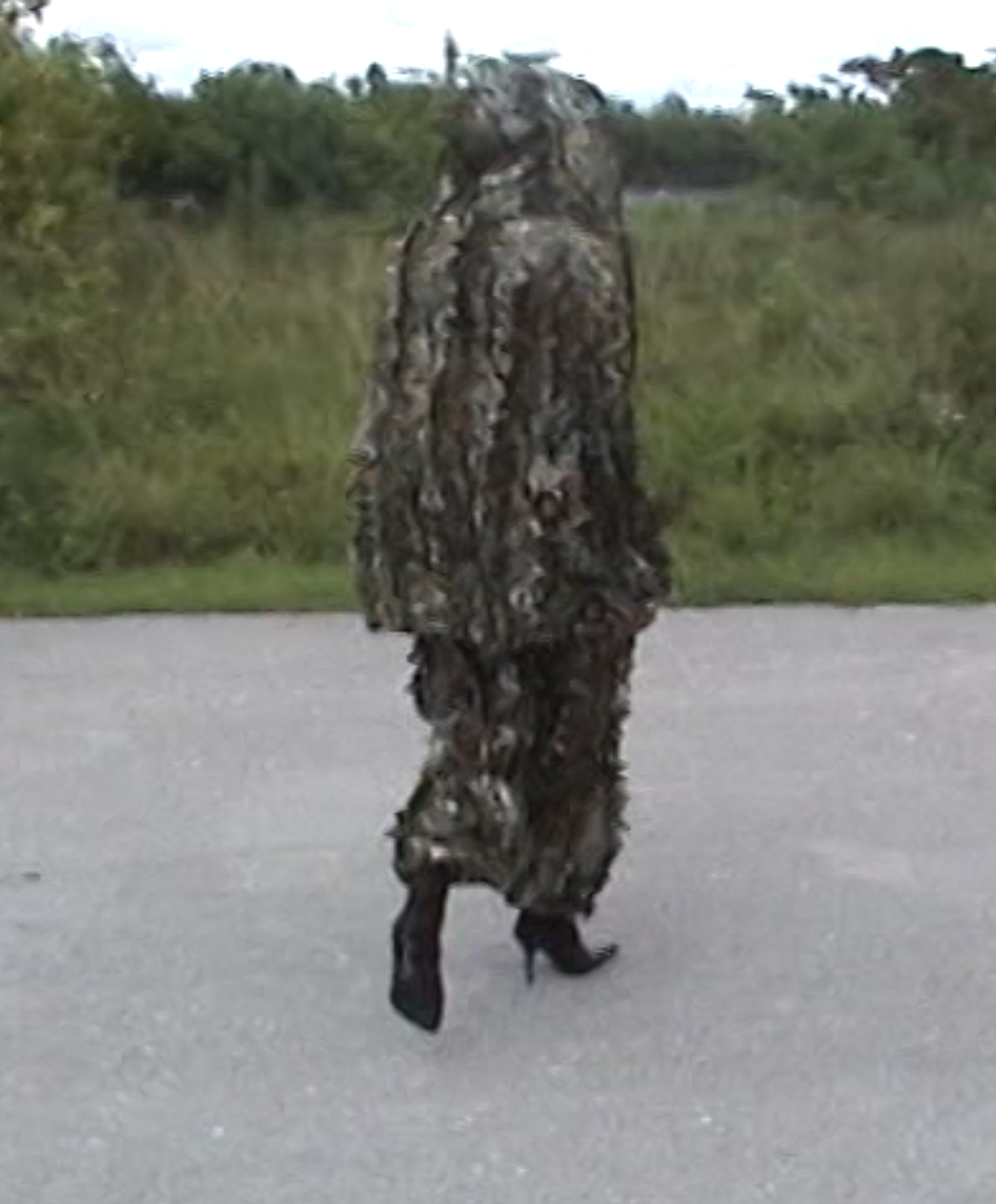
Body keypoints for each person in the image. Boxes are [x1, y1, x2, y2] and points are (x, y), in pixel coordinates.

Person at [347, 50, 671, 1033]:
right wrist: (627, 537)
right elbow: (593, 410)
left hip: (442, 544)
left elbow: (400, 406)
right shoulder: (569, 252)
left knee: (474, 723)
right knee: (572, 722)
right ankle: (545, 907)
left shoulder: (426, 243)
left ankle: (436, 905)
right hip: (553, 539)